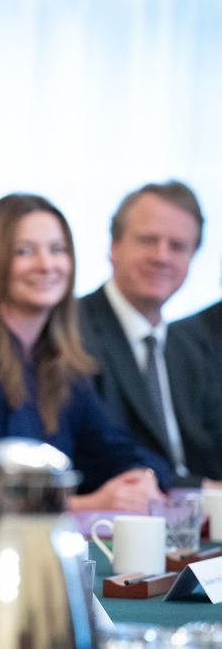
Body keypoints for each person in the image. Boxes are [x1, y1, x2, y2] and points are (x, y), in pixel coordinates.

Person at [0, 193, 168, 511]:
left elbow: (114, 448)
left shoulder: (58, 360)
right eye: (25, 252)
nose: (46, 265)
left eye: (57, 250)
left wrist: (141, 478)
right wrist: (88, 503)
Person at [77, 182, 222, 486]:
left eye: (178, 246)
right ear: (114, 247)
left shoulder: (187, 347)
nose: (162, 257)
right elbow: (106, 454)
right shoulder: (73, 332)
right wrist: (201, 490)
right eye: (147, 240)